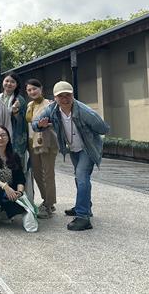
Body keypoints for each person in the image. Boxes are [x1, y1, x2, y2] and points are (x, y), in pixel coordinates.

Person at [33, 81, 110, 231]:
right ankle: (85, 206)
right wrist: (40, 125)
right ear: (55, 98)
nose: (64, 99)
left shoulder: (84, 111)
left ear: (72, 95)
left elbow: (103, 128)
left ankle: (83, 217)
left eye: (67, 95)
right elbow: (35, 123)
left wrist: (89, 132)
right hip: (73, 148)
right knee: (79, 177)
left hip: (88, 149)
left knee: (81, 177)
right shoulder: (52, 110)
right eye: (60, 96)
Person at [25, 79, 58, 219]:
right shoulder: (29, 105)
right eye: (29, 90)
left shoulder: (50, 104)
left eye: (34, 89)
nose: (32, 92)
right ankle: (47, 201)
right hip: (32, 143)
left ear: (41, 89)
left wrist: (47, 124)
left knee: (48, 174)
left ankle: (48, 204)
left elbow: (56, 123)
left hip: (47, 142)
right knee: (38, 174)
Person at [0, 71, 28, 160]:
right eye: (7, 81)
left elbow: (23, 122)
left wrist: (16, 113)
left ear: (16, 85)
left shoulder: (20, 100)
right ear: (3, 82)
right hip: (0, 134)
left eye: (12, 82)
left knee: (15, 163)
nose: (9, 84)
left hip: (14, 137)